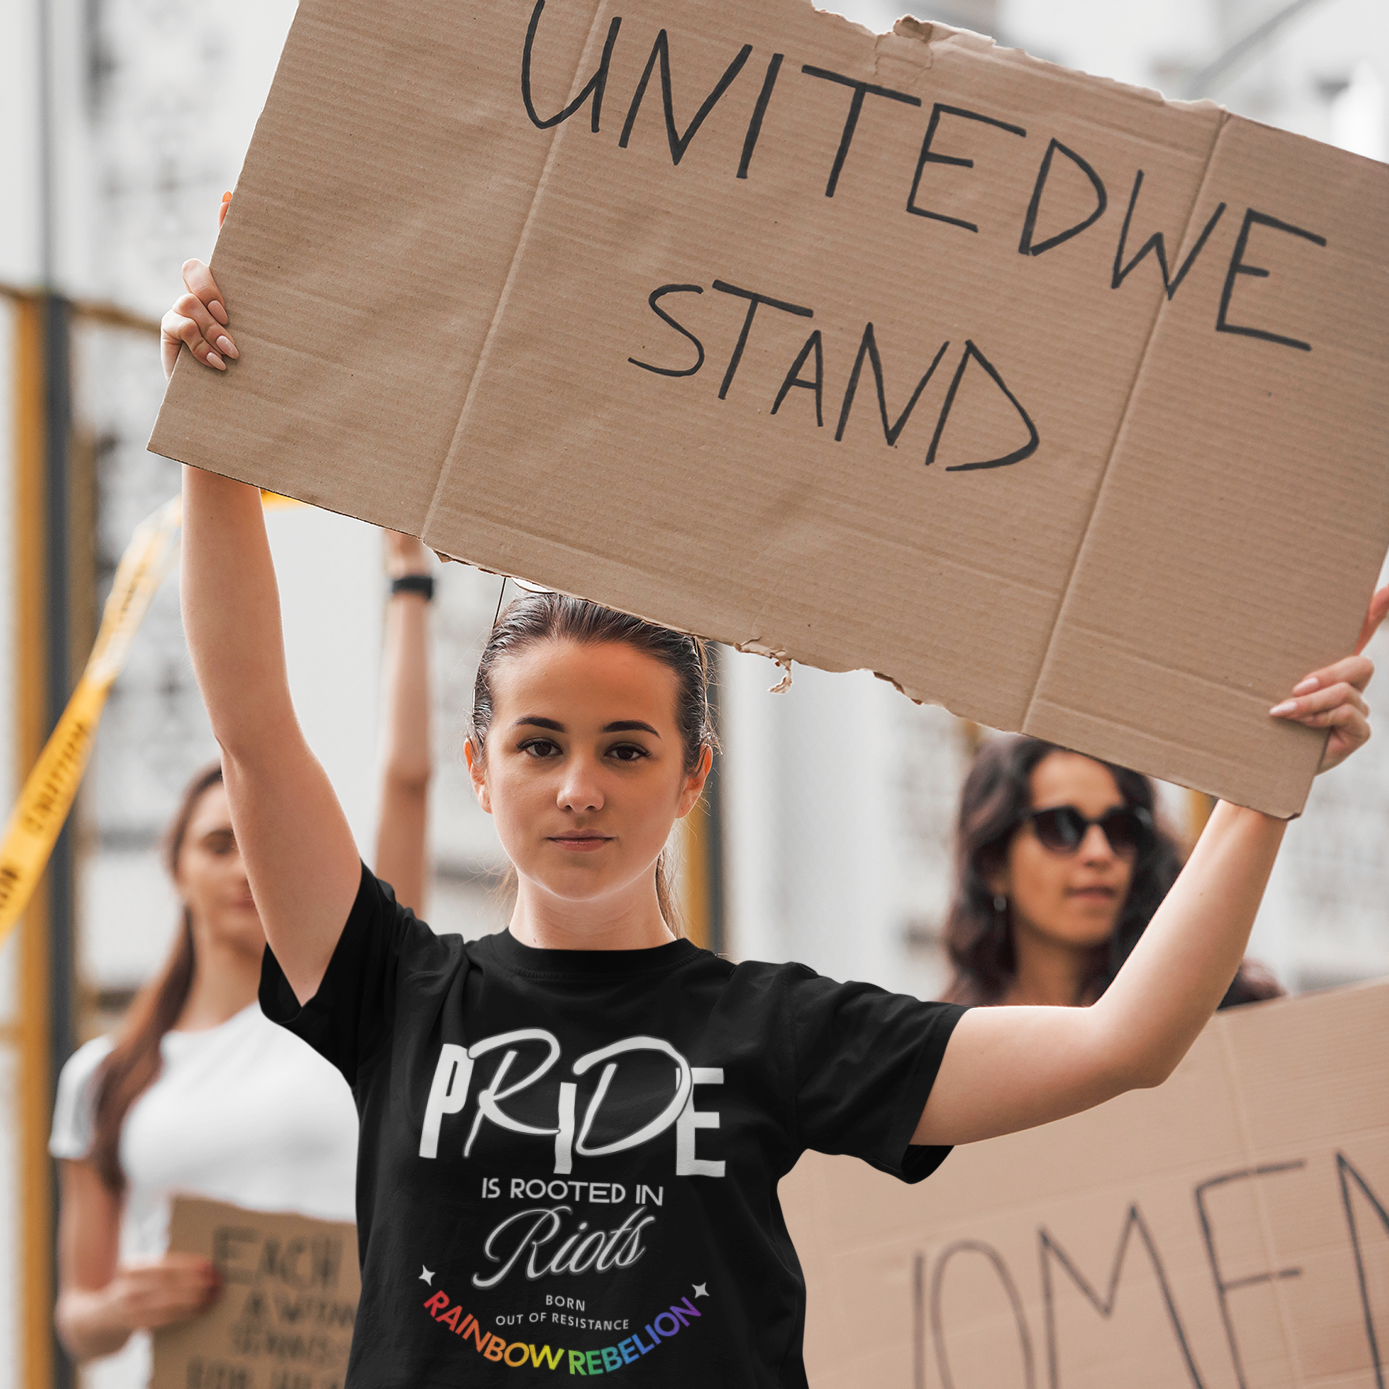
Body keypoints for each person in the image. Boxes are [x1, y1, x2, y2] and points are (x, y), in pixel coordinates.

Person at [163, 254, 1385, 1388]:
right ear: (482, 770)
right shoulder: (391, 988)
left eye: (626, 749)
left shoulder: (781, 1030)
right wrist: (214, 433)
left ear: (692, 778)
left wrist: (1259, 784)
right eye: (540, 746)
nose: (580, 785)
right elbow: (254, 732)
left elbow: (1126, 1042)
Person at [50, 528, 436, 1384]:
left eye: (259, 845)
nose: (244, 868)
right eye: (219, 844)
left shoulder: (364, 1009)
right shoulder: (103, 1077)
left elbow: (406, 778)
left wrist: (410, 584)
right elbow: (78, 1318)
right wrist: (120, 1307)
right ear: (176, 869)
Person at [942, 737, 1284, 1008]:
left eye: (1120, 829)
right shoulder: (945, 1052)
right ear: (994, 865)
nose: (1099, 853)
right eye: (1061, 828)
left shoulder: (1216, 1011)